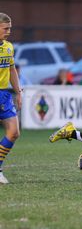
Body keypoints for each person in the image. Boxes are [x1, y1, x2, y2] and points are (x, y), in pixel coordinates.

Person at [0, 13, 22, 184]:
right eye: (5, 28)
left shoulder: (8, 47)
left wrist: (19, 92)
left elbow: (12, 69)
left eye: (10, 28)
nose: (8, 32)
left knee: (14, 132)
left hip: (4, 95)